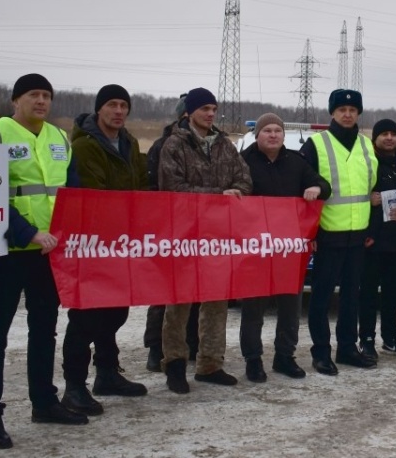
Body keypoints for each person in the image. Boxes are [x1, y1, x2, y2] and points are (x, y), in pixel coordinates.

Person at [0, 74, 87, 451]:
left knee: (44, 328)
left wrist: (69, 232)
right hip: (5, 249)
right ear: (15, 100)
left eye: (46, 96)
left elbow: (71, 191)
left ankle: (44, 401)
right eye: (33, 95)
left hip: (47, 252)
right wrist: (27, 232)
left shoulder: (59, 138)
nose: (41, 101)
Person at [60, 85, 149, 416]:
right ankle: (74, 385)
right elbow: (94, 194)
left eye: (124, 105)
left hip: (123, 242)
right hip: (93, 242)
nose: (119, 111)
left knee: (116, 310)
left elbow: (140, 186)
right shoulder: (85, 146)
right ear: (99, 109)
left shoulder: (130, 142)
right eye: (112, 104)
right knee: (86, 315)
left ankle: (108, 372)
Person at [158, 88, 253, 392]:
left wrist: (235, 192)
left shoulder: (224, 144)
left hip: (218, 235)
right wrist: (218, 196)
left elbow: (244, 179)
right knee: (179, 302)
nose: (211, 114)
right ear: (189, 112)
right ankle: (175, 364)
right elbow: (172, 187)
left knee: (216, 301)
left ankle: (210, 364)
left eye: (213, 109)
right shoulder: (175, 144)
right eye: (204, 109)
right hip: (184, 234)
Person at [239, 112, 329, 381]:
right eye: (267, 130)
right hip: (255, 247)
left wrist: (316, 188)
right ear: (257, 135)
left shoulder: (296, 161)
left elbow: (324, 185)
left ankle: (284, 356)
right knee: (254, 307)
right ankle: (253, 359)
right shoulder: (243, 161)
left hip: (288, 247)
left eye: (277, 130)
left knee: (290, 305)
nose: (273, 135)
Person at [300, 89, 378, 374]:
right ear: (332, 112)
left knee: (350, 297)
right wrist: (310, 234)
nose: (347, 114)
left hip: (358, 235)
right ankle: (321, 352)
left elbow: (371, 190)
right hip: (327, 234)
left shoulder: (366, 145)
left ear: (358, 113)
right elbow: (303, 189)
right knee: (321, 298)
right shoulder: (316, 144)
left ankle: (347, 348)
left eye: (353, 110)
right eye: (342, 110)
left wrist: (371, 228)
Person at [144, 94, 194, 374]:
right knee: (164, 291)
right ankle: (156, 348)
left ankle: (190, 344)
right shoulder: (163, 145)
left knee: (194, 289)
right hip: (168, 227)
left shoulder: (209, 144)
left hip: (200, 229)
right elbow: (153, 186)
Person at [358, 118, 396, 360]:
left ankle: (391, 338)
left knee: (393, 293)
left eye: (393, 134)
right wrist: (367, 198)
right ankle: (367, 339)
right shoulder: (366, 161)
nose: (389, 138)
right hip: (372, 239)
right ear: (375, 138)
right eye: (384, 134)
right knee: (369, 293)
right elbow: (352, 191)